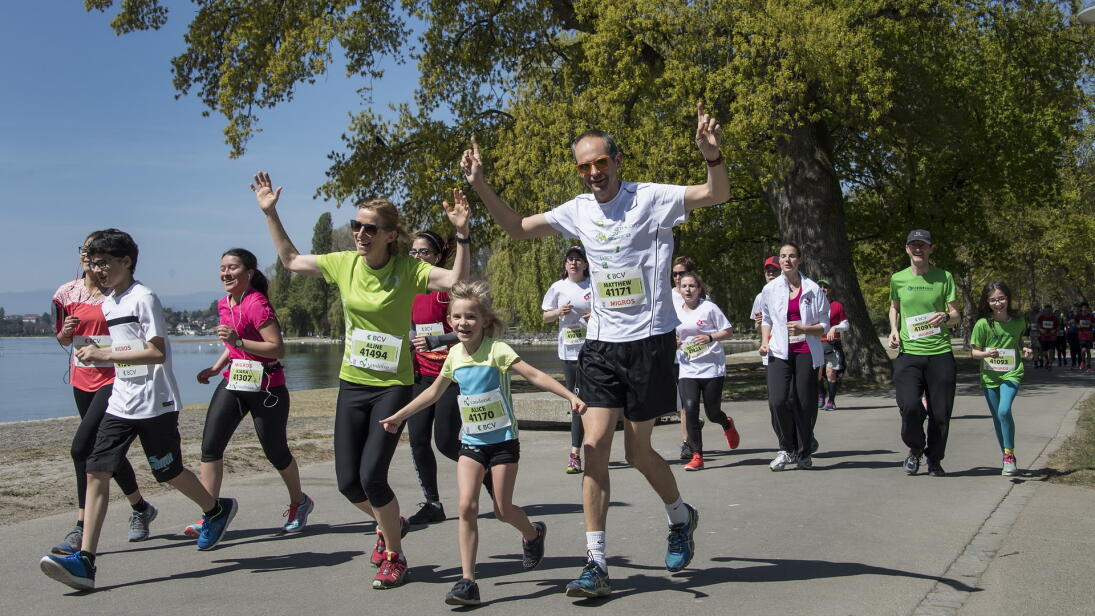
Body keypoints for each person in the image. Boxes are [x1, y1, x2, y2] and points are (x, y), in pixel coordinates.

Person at [460, 102, 729, 598]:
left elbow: (717, 193)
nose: (592, 173)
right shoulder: (578, 210)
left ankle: (679, 516)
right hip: (601, 345)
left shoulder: (652, 198)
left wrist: (712, 157)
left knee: (638, 450)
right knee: (592, 450)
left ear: (617, 160)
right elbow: (518, 227)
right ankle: (596, 564)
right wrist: (480, 184)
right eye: (584, 167)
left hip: (649, 345)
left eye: (600, 163)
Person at [250, 171, 469, 589]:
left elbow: (456, 280)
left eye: (370, 228)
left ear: (390, 235)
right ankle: (391, 523)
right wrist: (271, 213)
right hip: (352, 385)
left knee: (373, 476)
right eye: (356, 226)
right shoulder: (344, 264)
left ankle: (395, 554)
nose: (360, 234)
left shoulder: (409, 269)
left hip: (393, 386)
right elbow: (292, 261)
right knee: (349, 483)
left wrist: (462, 234)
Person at [40, 229, 237, 592]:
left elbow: (157, 351)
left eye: (104, 263)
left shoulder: (143, 298)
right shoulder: (111, 302)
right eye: (93, 263)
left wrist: (105, 355)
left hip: (155, 403)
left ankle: (216, 510)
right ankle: (85, 561)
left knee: (168, 471)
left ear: (125, 261)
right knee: (97, 470)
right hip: (121, 400)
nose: (96, 270)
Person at [380, 281, 585, 606]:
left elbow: (534, 376)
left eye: (471, 317)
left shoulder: (498, 350)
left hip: (503, 442)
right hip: (472, 443)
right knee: (466, 507)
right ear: (449, 320)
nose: (463, 323)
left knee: (502, 509)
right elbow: (432, 393)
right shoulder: (454, 357)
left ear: (485, 321)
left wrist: (570, 396)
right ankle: (468, 582)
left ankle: (532, 534)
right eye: (457, 317)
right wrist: (399, 416)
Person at [185, 248, 311, 537]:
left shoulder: (257, 304)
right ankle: (211, 513)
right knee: (210, 447)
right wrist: (216, 368)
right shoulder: (224, 304)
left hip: (267, 386)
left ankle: (299, 501)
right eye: (222, 268)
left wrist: (239, 341)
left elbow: (276, 348)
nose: (225, 273)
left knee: (276, 451)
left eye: (233, 268)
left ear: (249, 272)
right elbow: (231, 347)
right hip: (234, 381)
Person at [50, 232, 155, 556]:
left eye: (96, 253)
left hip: (116, 377)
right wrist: (65, 334)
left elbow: (138, 336)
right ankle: (140, 507)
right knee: (104, 450)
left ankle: (80, 528)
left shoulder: (118, 292)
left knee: (82, 449)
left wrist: (109, 352)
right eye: (85, 251)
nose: (89, 258)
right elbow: (62, 340)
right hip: (83, 378)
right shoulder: (66, 292)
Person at [888, 229, 961, 477]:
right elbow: (894, 308)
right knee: (909, 406)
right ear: (907, 249)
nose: (918, 249)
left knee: (940, 413)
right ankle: (915, 448)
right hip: (909, 353)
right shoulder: (898, 279)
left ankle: (935, 459)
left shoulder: (944, 277)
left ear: (931, 249)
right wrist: (893, 330)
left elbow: (955, 315)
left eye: (923, 245)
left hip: (939, 353)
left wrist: (946, 317)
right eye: (914, 245)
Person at [403, 230, 463, 525]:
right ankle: (433, 504)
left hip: (451, 376)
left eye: (423, 252)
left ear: (437, 257)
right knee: (417, 440)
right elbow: (412, 326)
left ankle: (489, 474)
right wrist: (413, 338)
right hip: (421, 376)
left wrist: (438, 340)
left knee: (447, 442)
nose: (417, 257)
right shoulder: (409, 288)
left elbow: (470, 330)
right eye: (413, 252)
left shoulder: (448, 290)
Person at [758, 243, 830, 471]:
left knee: (804, 403)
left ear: (799, 260)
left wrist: (803, 330)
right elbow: (767, 319)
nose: (787, 260)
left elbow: (825, 325)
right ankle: (785, 449)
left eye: (791, 256)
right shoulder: (769, 290)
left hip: (806, 351)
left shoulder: (813, 289)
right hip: (779, 351)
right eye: (783, 256)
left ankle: (803, 451)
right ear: (779, 261)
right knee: (778, 400)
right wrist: (764, 342)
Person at [674, 272, 739, 471]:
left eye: (692, 286)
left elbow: (728, 330)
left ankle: (726, 423)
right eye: (684, 286)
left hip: (712, 368)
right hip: (687, 368)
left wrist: (710, 337)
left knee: (712, 412)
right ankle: (697, 455)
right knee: (691, 409)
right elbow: (669, 335)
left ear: (699, 288)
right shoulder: (675, 311)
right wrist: (673, 343)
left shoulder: (709, 308)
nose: (688, 290)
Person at [969, 282, 1033, 476]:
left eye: (1001, 298)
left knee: (1004, 411)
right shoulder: (983, 324)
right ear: (987, 302)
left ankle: (1009, 455)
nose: (998, 303)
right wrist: (986, 354)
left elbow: (1022, 340)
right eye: (993, 300)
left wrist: (1026, 349)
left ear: (1008, 298)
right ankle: (1007, 457)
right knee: (998, 418)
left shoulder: (1019, 321)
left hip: (1011, 373)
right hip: (990, 377)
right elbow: (974, 353)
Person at [542, 245, 592, 474]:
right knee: (576, 402)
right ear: (565, 264)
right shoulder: (557, 287)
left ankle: (595, 447)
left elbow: (609, 312)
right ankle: (575, 454)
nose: (574, 263)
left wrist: (596, 315)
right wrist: (558, 312)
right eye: (570, 260)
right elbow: (545, 317)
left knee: (595, 402)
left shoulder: (592, 285)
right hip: (569, 353)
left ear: (585, 264)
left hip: (593, 351)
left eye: (578, 260)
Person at [671, 256, 698, 461]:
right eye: (675, 274)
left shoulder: (700, 297)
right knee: (675, 404)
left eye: (681, 273)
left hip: (691, 359)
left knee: (685, 403)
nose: (678, 278)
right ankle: (692, 426)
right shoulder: (667, 295)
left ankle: (687, 443)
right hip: (669, 356)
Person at [817, 279, 849, 411]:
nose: (823, 289)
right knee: (817, 374)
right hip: (816, 344)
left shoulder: (836, 306)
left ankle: (831, 400)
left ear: (829, 290)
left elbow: (846, 324)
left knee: (831, 373)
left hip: (832, 345)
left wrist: (835, 328)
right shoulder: (812, 305)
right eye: (820, 287)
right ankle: (820, 395)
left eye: (825, 287)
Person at [1036, 305, 1059, 370]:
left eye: (1050, 310)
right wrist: (1041, 330)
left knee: (1051, 350)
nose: (1048, 312)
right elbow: (1037, 326)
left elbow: (1058, 326)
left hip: (1052, 337)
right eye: (1047, 310)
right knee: (1044, 352)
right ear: (1045, 311)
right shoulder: (1041, 318)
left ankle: (1050, 364)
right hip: (1043, 337)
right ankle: (1047, 360)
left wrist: (1055, 330)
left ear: (1052, 310)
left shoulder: (1055, 318)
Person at [1072, 302, 1092, 370]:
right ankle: (1083, 361)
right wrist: (1078, 325)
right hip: (1081, 335)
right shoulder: (1078, 316)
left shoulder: (1090, 316)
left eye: (1086, 307)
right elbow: (1075, 324)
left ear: (1088, 308)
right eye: (1083, 307)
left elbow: (1094, 324)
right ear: (1081, 308)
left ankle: (1089, 365)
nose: (1084, 309)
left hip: (1089, 335)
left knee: (1088, 350)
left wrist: (1091, 324)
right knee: (1083, 350)